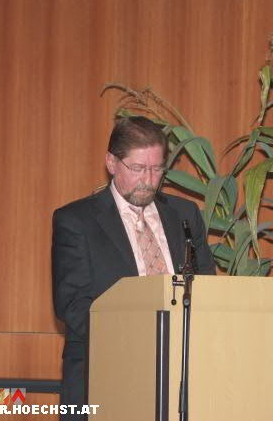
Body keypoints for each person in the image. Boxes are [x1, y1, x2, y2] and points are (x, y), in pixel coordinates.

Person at [51, 116, 216, 419]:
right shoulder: (76, 221)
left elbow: (207, 286)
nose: (148, 180)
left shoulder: (185, 214)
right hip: (106, 372)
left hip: (180, 374)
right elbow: (73, 305)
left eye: (156, 169)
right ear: (112, 163)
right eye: (138, 168)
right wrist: (141, 342)